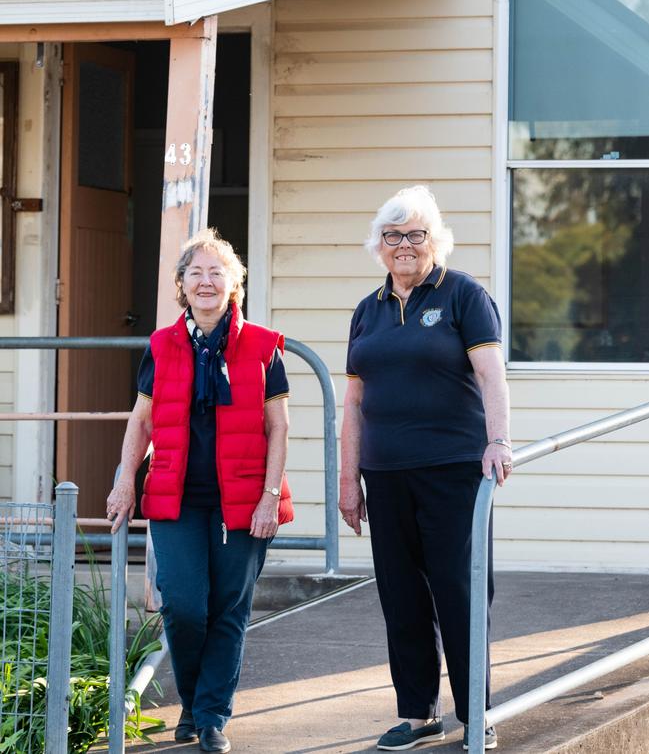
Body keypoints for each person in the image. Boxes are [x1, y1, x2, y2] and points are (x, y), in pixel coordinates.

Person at [106, 228, 293, 753]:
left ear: (234, 284)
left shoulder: (262, 346)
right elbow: (140, 421)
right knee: (185, 607)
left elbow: (278, 426)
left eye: (218, 272)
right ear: (182, 286)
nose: (206, 281)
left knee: (229, 609)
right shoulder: (162, 346)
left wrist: (269, 495)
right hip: (175, 496)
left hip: (244, 501)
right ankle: (193, 700)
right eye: (196, 273)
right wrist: (125, 480)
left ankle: (210, 716)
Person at [339, 186, 511, 752]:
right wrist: (348, 479)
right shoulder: (368, 311)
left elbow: (490, 377)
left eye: (416, 235)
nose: (404, 245)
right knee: (401, 595)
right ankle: (417, 712)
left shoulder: (464, 295)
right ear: (379, 246)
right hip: (385, 475)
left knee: (460, 591)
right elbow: (355, 404)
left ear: (434, 241)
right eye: (393, 236)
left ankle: (475, 710)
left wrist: (498, 441)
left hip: (454, 469)